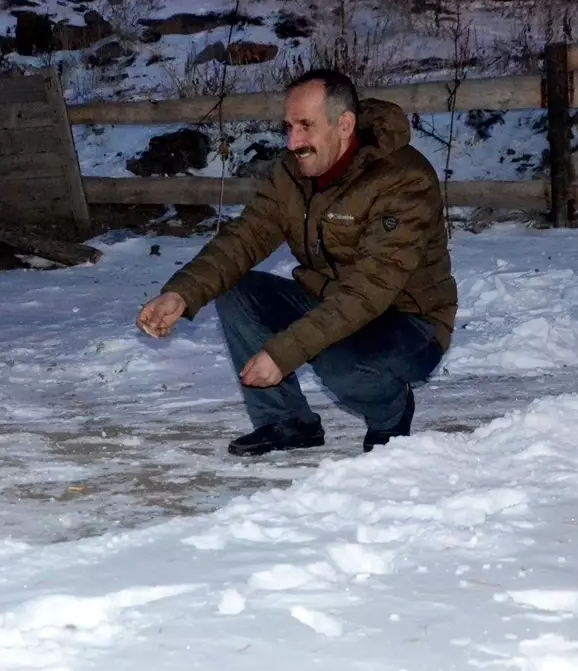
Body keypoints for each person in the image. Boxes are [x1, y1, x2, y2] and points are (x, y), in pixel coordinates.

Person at [136, 68, 458, 456]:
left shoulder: (404, 180)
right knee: (236, 289)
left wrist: (284, 352)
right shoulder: (292, 173)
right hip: (332, 302)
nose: (294, 141)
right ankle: (286, 421)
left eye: (306, 126)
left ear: (344, 125)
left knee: (337, 362)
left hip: (407, 321)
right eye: (288, 127)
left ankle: (390, 414)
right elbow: (245, 237)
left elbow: (369, 289)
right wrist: (182, 294)